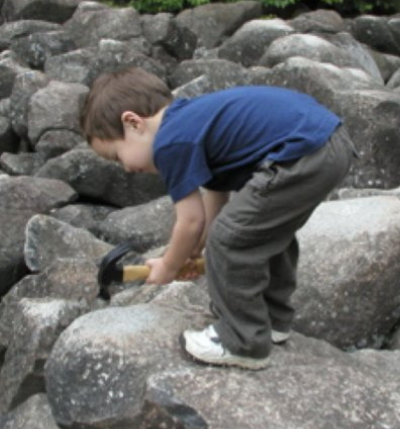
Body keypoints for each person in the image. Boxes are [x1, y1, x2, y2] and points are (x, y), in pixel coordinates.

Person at [81, 67, 356, 369]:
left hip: (303, 153)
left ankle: (242, 341)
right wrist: (198, 249)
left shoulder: (170, 142)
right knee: (260, 235)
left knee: (232, 240)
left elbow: (190, 220)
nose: (125, 169)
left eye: (117, 156)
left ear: (133, 123)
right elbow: (214, 199)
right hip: (326, 142)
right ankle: (271, 319)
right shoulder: (193, 124)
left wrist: (170, 265)